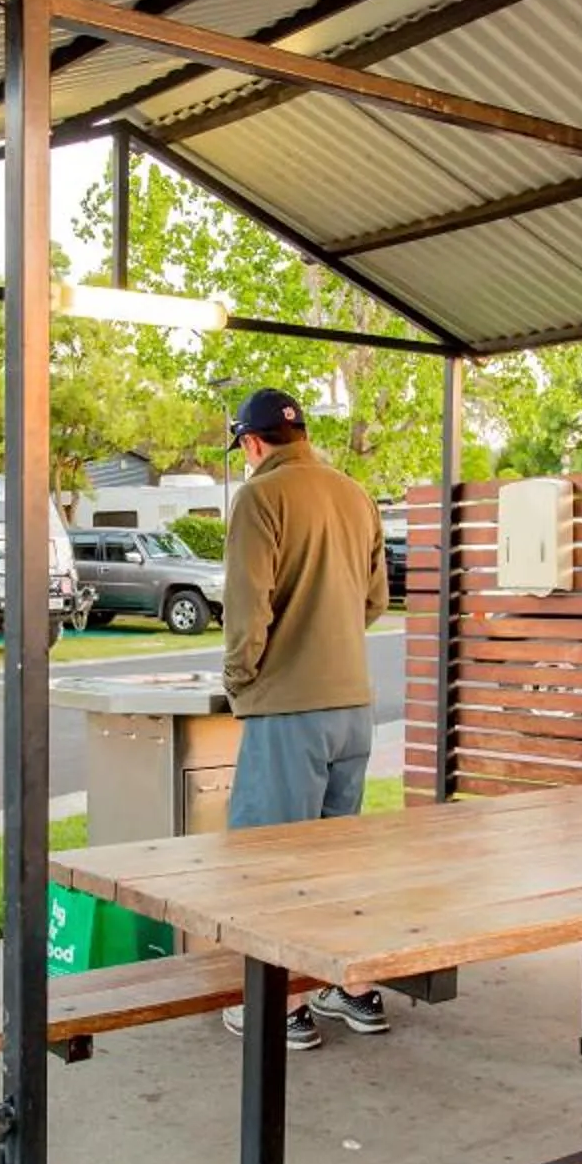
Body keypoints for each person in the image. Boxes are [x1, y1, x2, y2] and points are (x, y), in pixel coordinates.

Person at [216, 386, 388, 1052]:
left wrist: (241, 678)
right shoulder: (355, 494)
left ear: (253, 442)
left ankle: (279, 1007)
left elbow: (247, 607)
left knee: (268, 865)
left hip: (288, 709)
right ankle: (352, 988)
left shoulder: (260, 497)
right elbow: (374, 600)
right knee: (335, 861)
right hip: (354, 709)